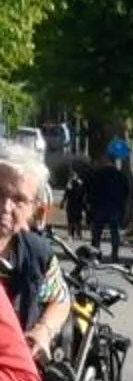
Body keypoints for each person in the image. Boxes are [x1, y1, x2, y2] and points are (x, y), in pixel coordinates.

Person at [0, 150, 70, 364]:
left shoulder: (36, 255)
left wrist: (43, 330)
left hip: (13, 371)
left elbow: (60, 298)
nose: (5, 207)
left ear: (34, 209)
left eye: (19, 199)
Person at [86, 154, 128, 262]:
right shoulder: (120, 175)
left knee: (97, 232)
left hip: (100, 206)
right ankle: (114, 254)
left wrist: (90, 204)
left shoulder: (98, 174)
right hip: (115, 207)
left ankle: (96, 253)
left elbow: (92, 190)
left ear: (106, 161)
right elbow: (125, 192)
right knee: (114, 231)